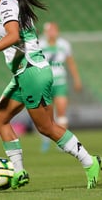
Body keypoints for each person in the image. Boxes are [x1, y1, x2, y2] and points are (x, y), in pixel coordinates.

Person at [0, 0, 102, 190]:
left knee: (46, 127)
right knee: (0, 118)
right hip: (26, 73)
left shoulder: (7, 5)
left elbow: (13, 36)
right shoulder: (9, 1)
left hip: (32, 72)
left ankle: (90, 162)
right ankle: (18, 172)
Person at [39, 22, 82, 152]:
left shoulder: (64, 44)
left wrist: (76, 79)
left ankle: (62, 143)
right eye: (49, 30)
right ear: (45, 32)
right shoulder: (39, 44)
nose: (52, 32)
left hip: (60, 82)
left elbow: (71, 63)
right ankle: (46, 141)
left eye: (54, 30)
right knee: (45, 114)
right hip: (44, 83)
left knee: (62, 112)